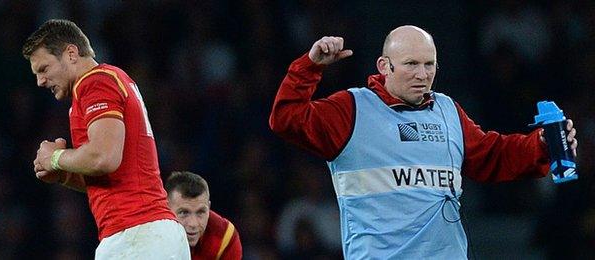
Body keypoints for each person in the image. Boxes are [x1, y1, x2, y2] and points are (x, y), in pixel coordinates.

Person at [269, 25, 579, 259]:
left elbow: (492, 155)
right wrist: (310, 66)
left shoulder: (446, 109)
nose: (422, 75)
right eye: (411, 64)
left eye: (429, 65)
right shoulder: (352, 109)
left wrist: (541, 144)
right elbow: (286, 120)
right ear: (384, 66)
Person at [23, 19, 190, 259]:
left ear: (71, 53)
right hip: (148, 234)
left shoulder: (95, 83)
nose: (40, 81)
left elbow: (104, 158)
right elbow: (108, 173)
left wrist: (56, 157)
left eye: (44, 69)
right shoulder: (104, 82)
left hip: (136, 235)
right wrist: (62, 174)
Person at [165, 171, 242, 260]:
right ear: (166, 208)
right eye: (184, 213)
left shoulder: (224, 236)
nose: (193, 224)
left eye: (200, 212)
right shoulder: (148, 231)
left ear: (208, 208)